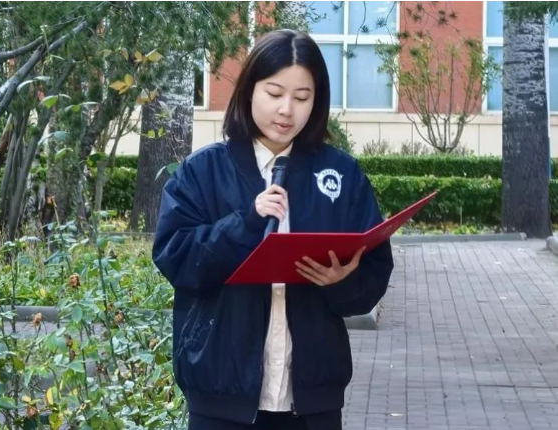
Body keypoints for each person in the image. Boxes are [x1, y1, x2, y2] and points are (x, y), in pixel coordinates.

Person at [152, 29, 394, 430]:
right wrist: (246, 221)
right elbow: (176, 258)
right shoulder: (203, 172)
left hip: (313, 400)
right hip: (221, 396)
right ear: (249, 90)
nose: (286, 110)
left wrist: (342, 281)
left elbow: (373, 274)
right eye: (274, 93)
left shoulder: (341, 175)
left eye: (302, 97)